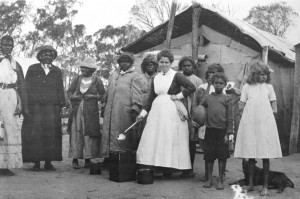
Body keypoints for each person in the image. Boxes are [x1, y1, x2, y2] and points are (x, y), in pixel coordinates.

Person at [136, 50, 196, 180]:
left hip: (171, 111)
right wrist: (142, 113)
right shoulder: (155, 77)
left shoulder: (176, 75)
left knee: (169, 137)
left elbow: (191, 87)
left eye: (166, 62)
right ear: (158, 62)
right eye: (161, 62)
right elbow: (151, 97)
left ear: (171, 63)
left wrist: (178, 96)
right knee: (154, 137)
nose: (163, 64)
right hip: (157, 111)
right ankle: (157, 166)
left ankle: (171, 167)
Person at [234, 61, 282, 196]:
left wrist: (270, 120)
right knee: (250, 154)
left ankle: (265, 186)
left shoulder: (269, 87)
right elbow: (242, 104)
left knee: (265, 155)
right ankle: (250, 183)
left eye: (266, 74)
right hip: (250, 123)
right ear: (254, 75)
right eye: (261, 74)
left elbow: (274, 104)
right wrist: (243, 120)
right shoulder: (247, 87)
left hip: (265, 124)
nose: (264, 77)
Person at [22, 45, 65, 171]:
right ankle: (36, 162)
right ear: (40, 56)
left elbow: (60, 89)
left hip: (52, 108)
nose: (47, 57)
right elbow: (26, 88)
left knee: (50, 134)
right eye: (45, 54)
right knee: (36, 133)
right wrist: (26, 105)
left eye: (50, 55)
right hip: (36, 108)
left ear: (53, 57)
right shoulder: (32, 69)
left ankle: (48, 162)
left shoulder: (57, 71)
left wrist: (60, 104)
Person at [100, 53, 143, 158]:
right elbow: (108, 92)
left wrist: (135, 108)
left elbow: (137, 93)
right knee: (109, 133)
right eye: (122, 62)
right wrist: (104, 106)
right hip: (110, 110)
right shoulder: (114, 74)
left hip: (124, 111)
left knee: (122, 134)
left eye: (127, 61)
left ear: (131, 63)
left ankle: (123, 160)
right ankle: (110, 158)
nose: (124, 64)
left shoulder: (134, 75)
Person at [67, 57, 105, 169]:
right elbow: (69, 91)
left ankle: (88, 158)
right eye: (82, 68)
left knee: (89, 133)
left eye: (86, 68)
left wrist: (93, 97)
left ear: (91, 69)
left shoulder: (97, 80)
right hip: (77, 109)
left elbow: (103, 95)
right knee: (76, 132)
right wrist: (73, 97)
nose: (83, 70)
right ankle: (75, 158)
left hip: (90, 110)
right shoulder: (77, 79)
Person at [0, 35, 27, 176]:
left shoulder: (15, 63)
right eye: (4, 44)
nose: (7, 47)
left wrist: (21, 101)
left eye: (9, 45)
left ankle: (8, 165)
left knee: (10, 130)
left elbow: (21, 84)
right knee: (0, 130)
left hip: (11, 95)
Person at [201, 72, 233, 190]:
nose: (218, 85)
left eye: (221, 83)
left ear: (225, 85)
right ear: (212, 84)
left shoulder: (227, 98)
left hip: (222, 132)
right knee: (209, 157)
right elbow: (200, 110)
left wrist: (229, 133)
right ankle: (209, 179)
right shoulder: (208, 98)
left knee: (222, 157)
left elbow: (230, 117)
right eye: (216, 83)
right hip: (209, 131)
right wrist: (197, 121)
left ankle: (220, 180)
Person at [178, 56, 203, 178]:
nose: (186, 68)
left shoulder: (197, 81)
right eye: (184, 65)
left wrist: (196, 116)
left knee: (190, 142)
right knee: (178, 141)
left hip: (192, 114)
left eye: (189, 65)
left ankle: (189, 169)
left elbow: (200, 100)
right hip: (179, 113)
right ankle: (178, 167)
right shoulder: (177, 78)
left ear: (193, 67)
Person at [136, 54, 158, 139]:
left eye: (152, 64)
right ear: (144, 66)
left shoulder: (160, 77)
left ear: (156, 66)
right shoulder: (139, 78)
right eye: (148, 64)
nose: (150, 66)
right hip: (142, 107)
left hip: (155, 107)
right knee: (141, 129)